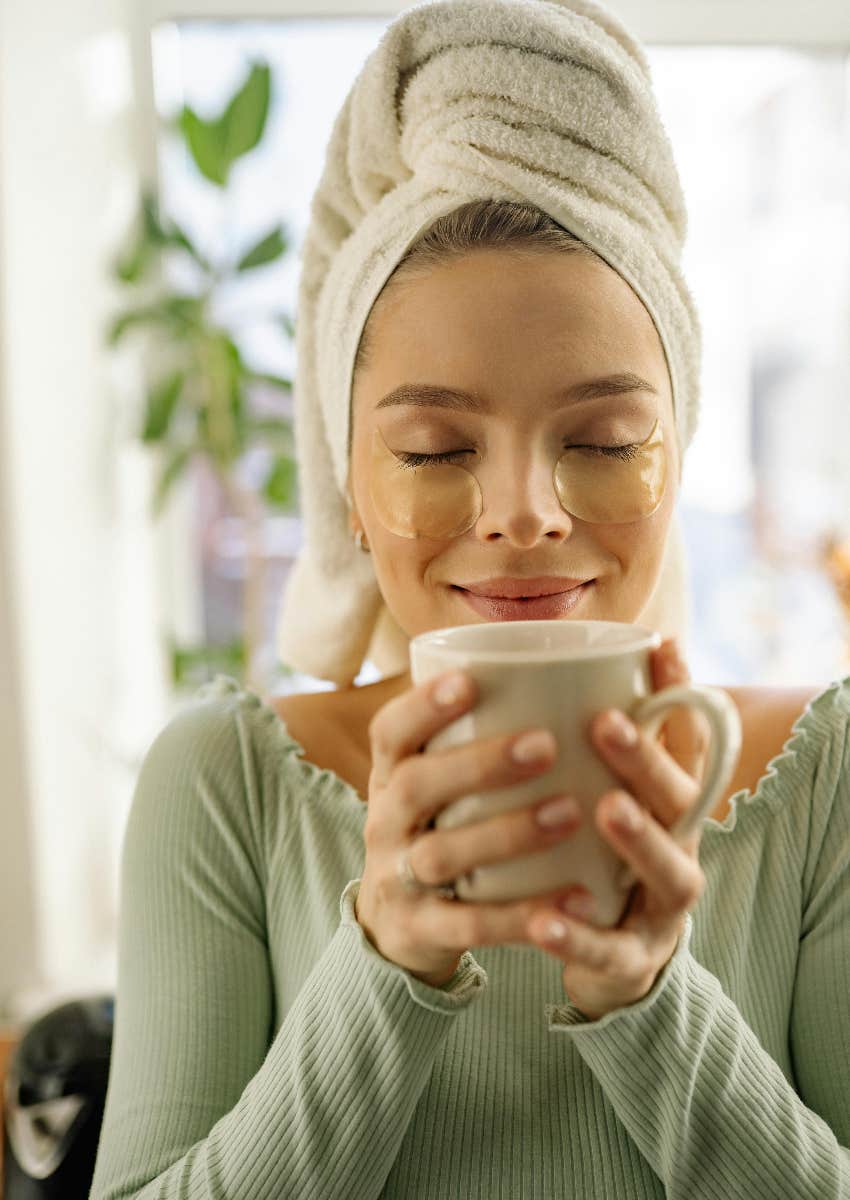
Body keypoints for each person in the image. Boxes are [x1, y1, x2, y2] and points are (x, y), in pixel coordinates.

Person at [90, 2, 850, 1197]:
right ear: (349, 485)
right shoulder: (225, 787)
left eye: (605, 440)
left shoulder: (824, 781)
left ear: (678, 460)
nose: (523, 514)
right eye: (434, 451)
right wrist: (384, 964)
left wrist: (647, 999)